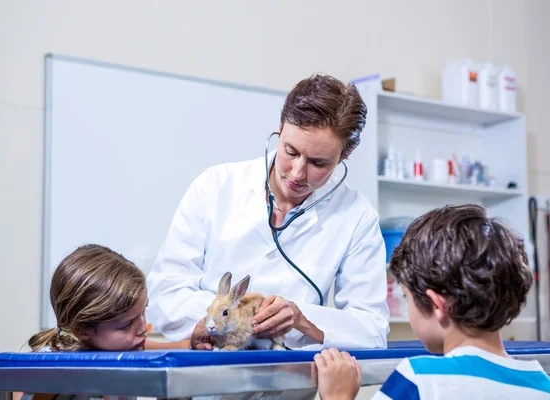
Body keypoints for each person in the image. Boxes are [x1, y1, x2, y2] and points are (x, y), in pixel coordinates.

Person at [147, 74, 389, 350]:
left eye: (318, 163)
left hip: (291, 383)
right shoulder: (214, 186)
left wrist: (302, 319)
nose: (298, 173)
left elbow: (371, 331)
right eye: (291, 151)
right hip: (208, 379)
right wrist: (235, 317)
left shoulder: (357, 217)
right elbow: (166, 294)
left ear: (344, 156)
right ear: (280, 127)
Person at [314, 204, 550, 399]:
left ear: (437, 306)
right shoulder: (542, 385)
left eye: (407, 297)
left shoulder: (419, 379)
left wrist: (338, 396)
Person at [28, 244, 191, 352]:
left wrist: (189, 345)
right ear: (82, 330)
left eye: (143, 312)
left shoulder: (126, 346)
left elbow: (152, 347)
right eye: (127, 325)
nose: (142, 328)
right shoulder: (48, 369)